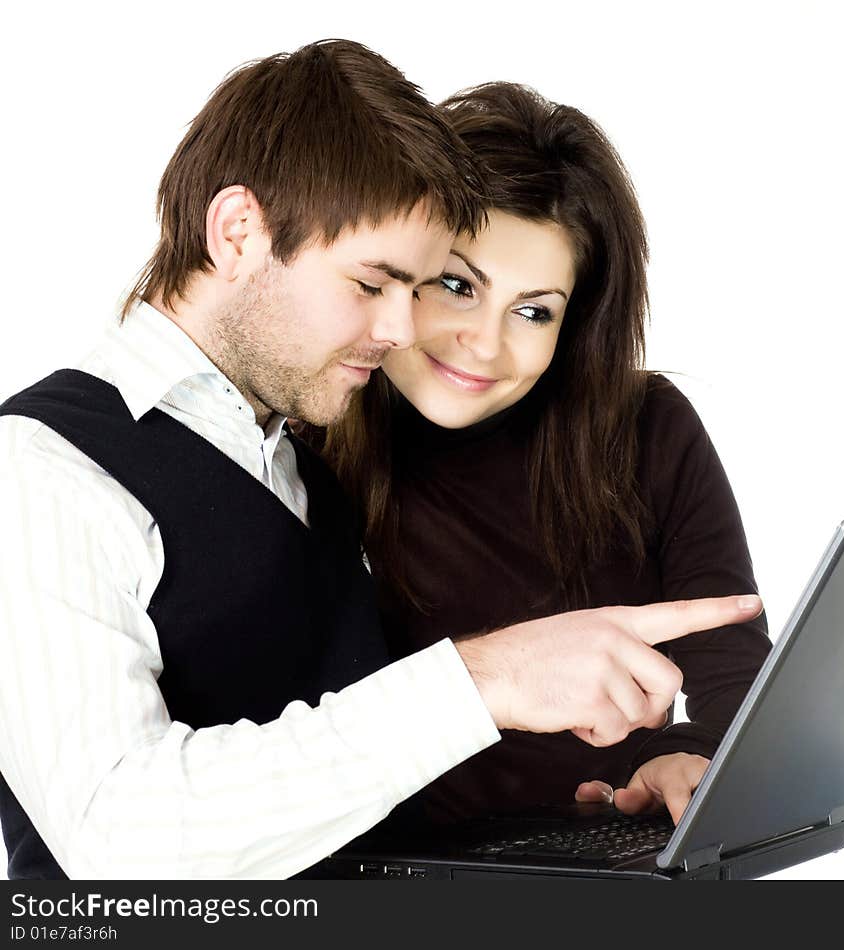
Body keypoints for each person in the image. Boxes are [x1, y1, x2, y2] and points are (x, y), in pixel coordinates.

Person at [0, 44, 763, 880]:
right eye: (376, 285)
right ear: (238, 234)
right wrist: (483, 679)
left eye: (419, 287)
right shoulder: (39, 469)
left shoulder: (289, 453)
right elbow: (116, 842)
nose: (403, 330)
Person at [319, 82, 773, 828]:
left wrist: (680, 756)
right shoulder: (308, 439)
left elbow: (736, 680)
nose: (486, 343)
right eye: (458, 286)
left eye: (534, 311)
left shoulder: (646, 428)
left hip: (605, 857)